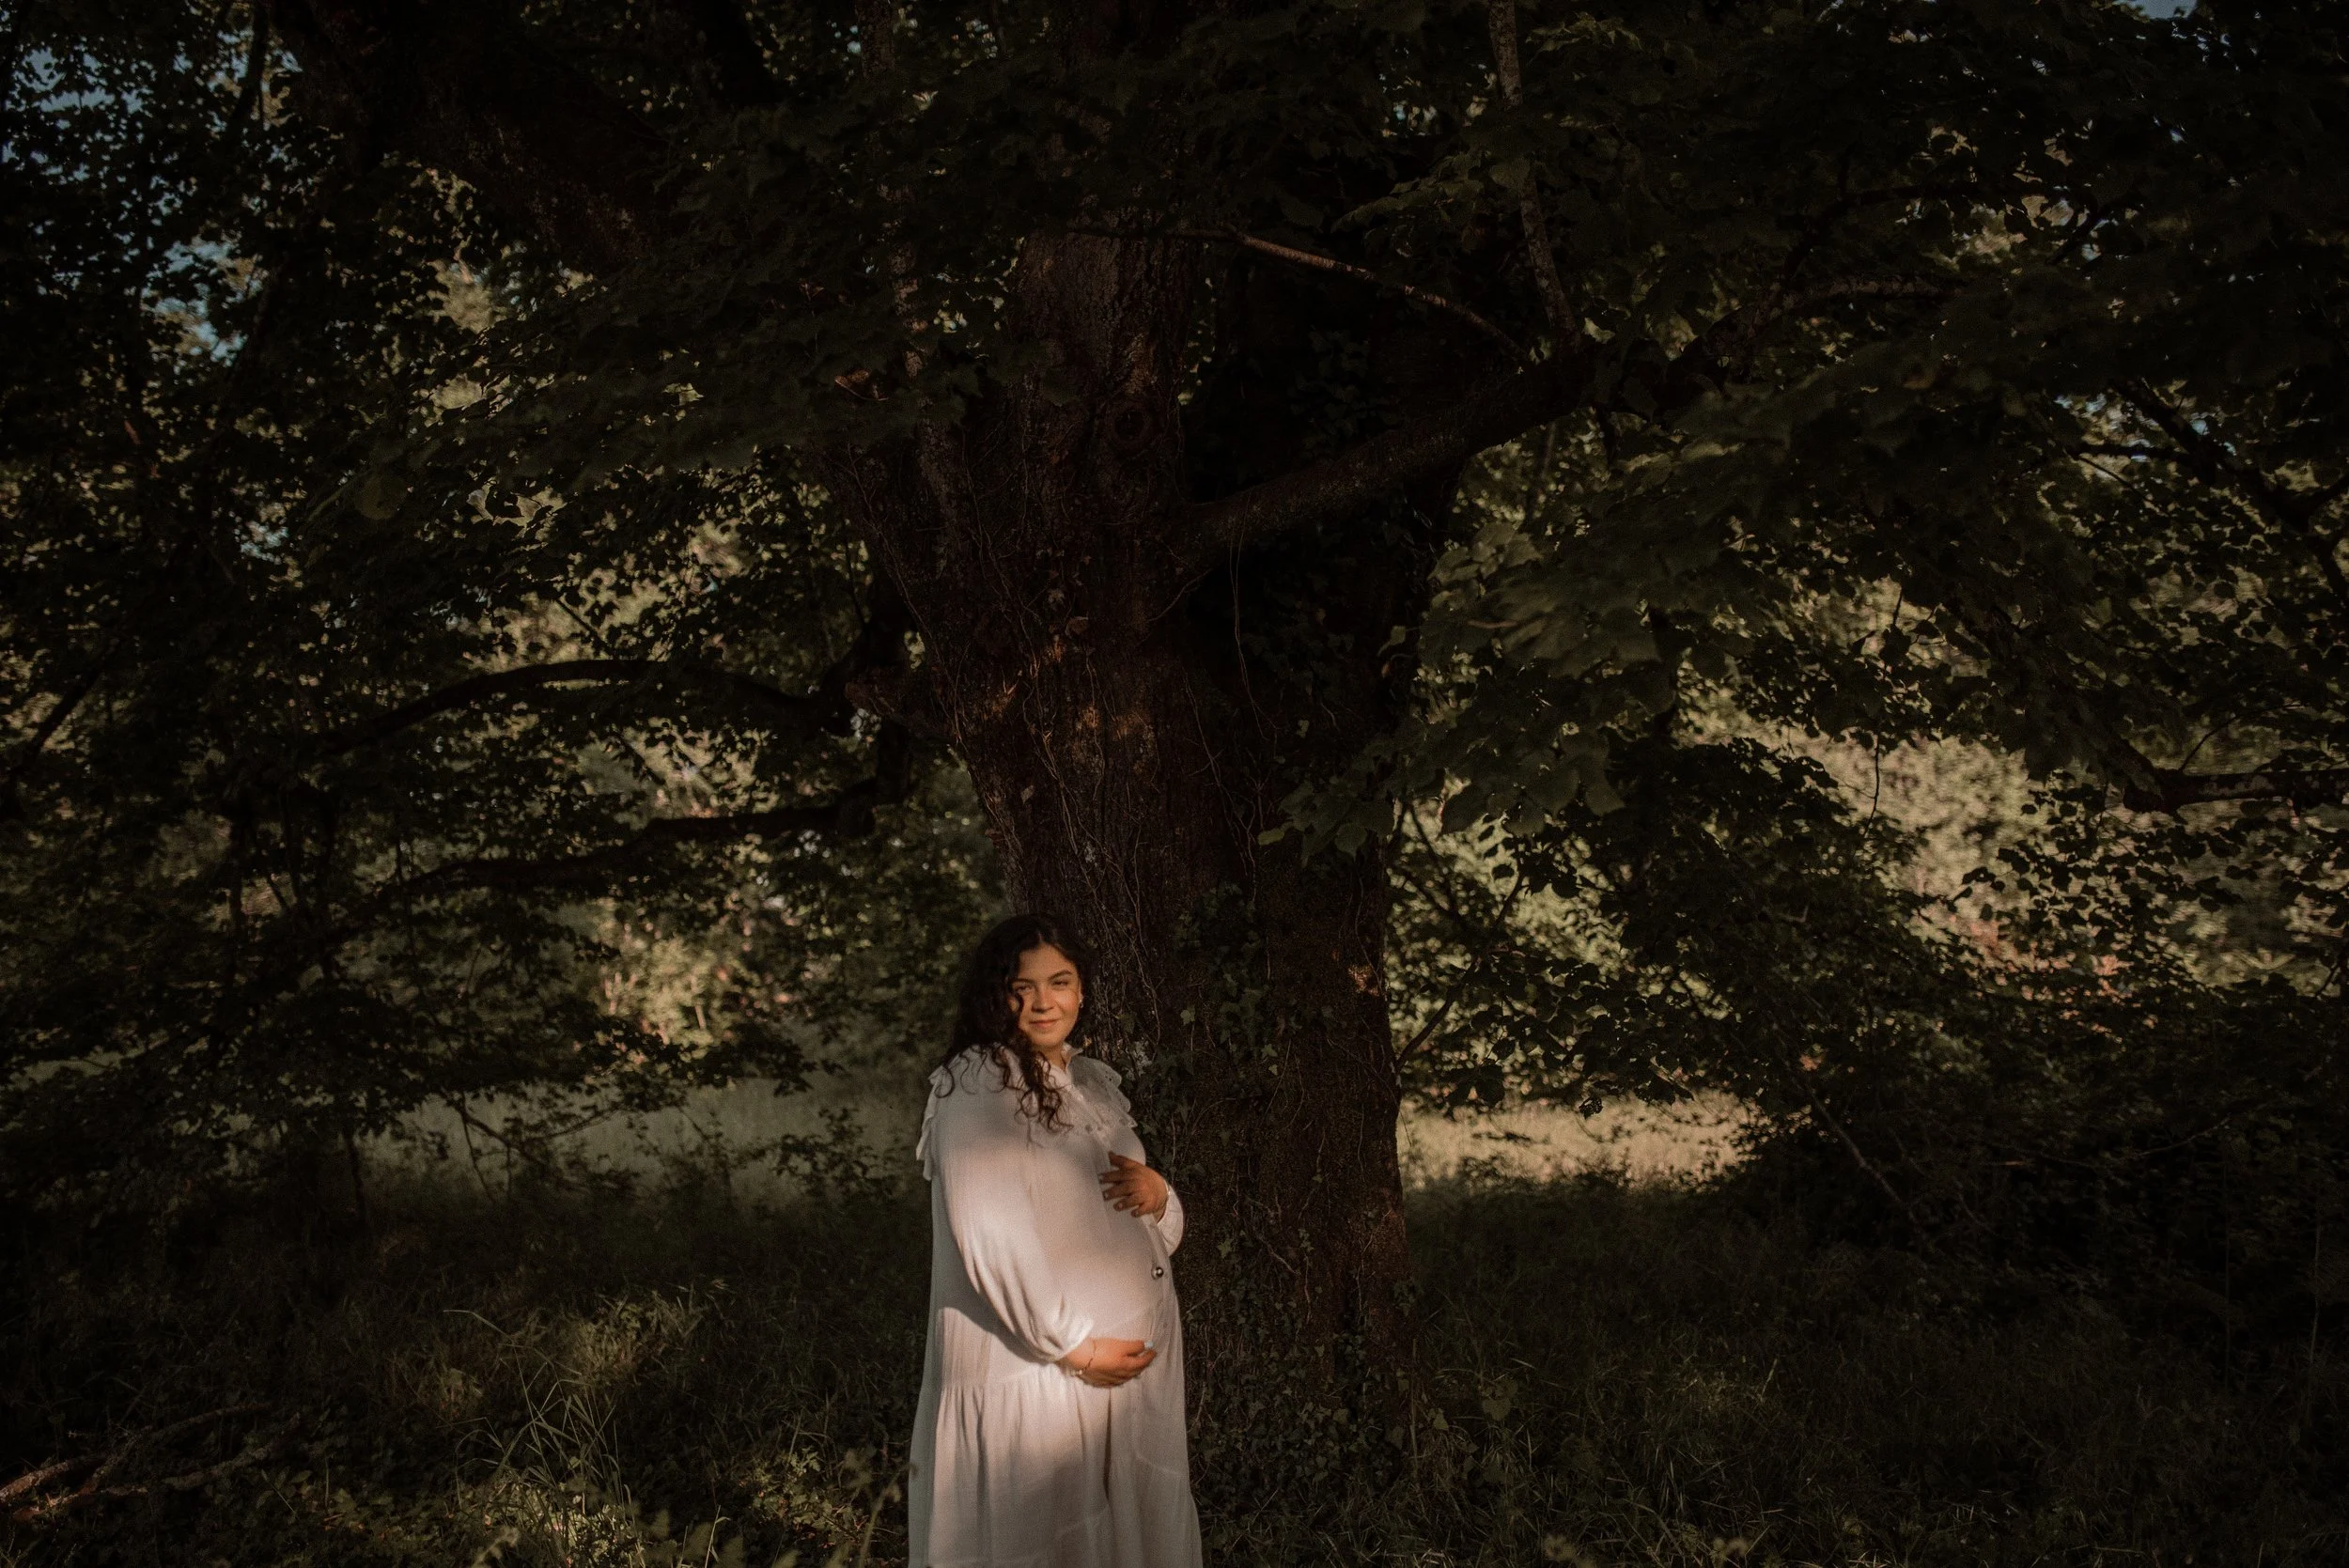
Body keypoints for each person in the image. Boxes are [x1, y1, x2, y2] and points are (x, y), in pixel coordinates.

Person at [907, 913, 1204, 1568]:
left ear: (1082, 991)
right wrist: (1070, 1342)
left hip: (1118, 1373)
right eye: (1023, 985)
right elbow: (990, 1233)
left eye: (1060, 982)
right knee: (1042, 1537)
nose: (1044, 1001)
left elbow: (1132, 1220)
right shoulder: (979, 1082)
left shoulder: (1090, 1081)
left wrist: (1162, 1197)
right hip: (1038, 1369)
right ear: (995, 994)